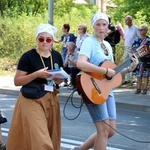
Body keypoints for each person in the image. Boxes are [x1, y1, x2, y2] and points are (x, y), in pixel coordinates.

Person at [73, 12, 138, 150]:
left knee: (111, 130)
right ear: (93, 26)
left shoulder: (108, 45)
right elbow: (81, 63)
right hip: (92, 88)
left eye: (104, 24)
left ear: (108, 26)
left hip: (106, 89)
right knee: (103, 130)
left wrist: (129, 69)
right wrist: (105, 71)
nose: (101, 28)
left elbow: (113, 71)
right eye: (98, 24)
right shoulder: (88, 42)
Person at [7, 23, 63, 150]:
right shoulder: (28, 56)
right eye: (41, 39)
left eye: (48, 39)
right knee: (40, 138)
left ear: (52, 41)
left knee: (50, 135)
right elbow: (17, 81)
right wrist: (37, 74)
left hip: (51, 98)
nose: (44, 42)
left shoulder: (57, 56)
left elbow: (58, 80)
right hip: (31, 99)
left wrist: (58, 80)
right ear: (36, 39)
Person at [132, 24, 150, 94]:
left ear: (146, 30)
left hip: (146, 59)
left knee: (146, 75)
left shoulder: (148, 40)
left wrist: (146, 52)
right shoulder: (136, 39)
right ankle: (138, 88)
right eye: (139, 29)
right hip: (138, 59)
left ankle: (145, 89)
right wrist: (135, 54)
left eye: (141, 30)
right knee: (138, 74)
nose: (140, 31)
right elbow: (132, 48)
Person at [122, 15, 139, 85]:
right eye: (125, 20)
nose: (125, 21)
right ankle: (127, 79)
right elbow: (125, 37)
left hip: (133, 48)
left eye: (127, 20)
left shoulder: (135, 28)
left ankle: (134, 79)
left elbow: (138, 38)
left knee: (133, 62)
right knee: (125, 63)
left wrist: (135, 46)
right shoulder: (125, 28)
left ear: (130, 20)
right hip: (126, 47)